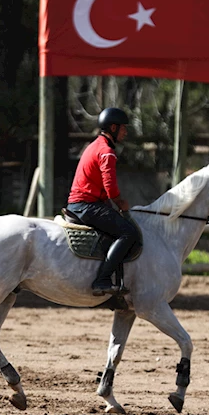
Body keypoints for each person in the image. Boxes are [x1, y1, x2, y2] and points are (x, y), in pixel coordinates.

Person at [66, 107, 141, 296]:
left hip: (84, 203)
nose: (125, 131)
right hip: (86, 205)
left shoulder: (95, 145)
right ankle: (102, 280)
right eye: (123, 128)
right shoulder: (106, 151)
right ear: (113, 128)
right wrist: (120, 202)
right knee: (128, 232)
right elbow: (110, 185)